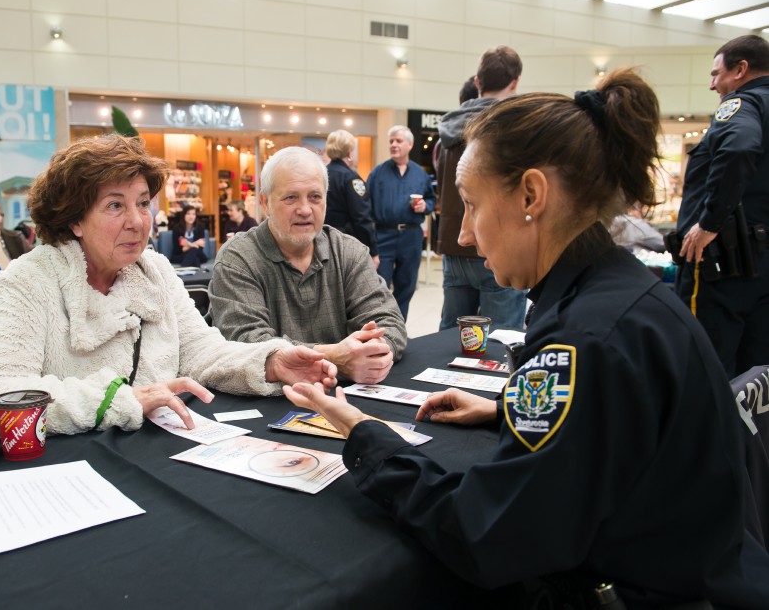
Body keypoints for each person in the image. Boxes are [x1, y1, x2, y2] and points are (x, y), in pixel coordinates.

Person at [283, 69, 769, 607]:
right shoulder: (622, 295)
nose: (463, 234)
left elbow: (485, 536)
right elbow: (624, 427)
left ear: (531, 195)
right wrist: (503, 411)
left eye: (471, 203)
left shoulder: (585, 339)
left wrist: (365, 435)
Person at [0, 135, 337, 439]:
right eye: (114, 206)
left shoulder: (154, 269)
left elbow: (200, 352)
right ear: (74, 218)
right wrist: (117, 401)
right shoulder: (29, 280)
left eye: (143, 203)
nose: (138, 222)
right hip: (71, 475)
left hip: (155, 458)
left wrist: (269, 361)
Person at [208, 147, 406, 385]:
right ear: (264, 202)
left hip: (341, 397)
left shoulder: (349, 251)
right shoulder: (238, 259)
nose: (304, 209)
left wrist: (374, 352)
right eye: (291, 197)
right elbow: (246, 342)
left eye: (315, 197)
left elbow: (389, 322)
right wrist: (335, 356)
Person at [674, 35, 769, 378]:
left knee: (704, 364)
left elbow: (739, 147)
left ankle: (706, 433)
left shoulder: (743, 105)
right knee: (755, 374)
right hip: (761, 265)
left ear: (741, 69)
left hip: (724, 262)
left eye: (717, 74)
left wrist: (710, 222)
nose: (713, 84)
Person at [437, 47, 527, 331]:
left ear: (477, 82)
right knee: (500, 340)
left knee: (450, 336)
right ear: (515, 81)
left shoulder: (448, 133)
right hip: (497, 247)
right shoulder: (513, 127)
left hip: (454, 246)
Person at [367, 125, 435, 319]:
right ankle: (380, 328)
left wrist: (425, 206)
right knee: (380, 285)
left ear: (410, 144)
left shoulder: (420, 174)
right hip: (383, 235)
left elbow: (431, 199)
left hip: (411, 235)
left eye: (398, 141)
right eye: (391, 141)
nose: (394, 145)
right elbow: (365, 205)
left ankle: (398, 327)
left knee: (406, 285)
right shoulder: (377, 173)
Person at [323, 129, 379, 268]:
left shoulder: (320, 174)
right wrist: (372, 251)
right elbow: (361, 218)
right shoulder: (351, 179)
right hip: (345, 244)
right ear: (349, 153)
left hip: (320, 241)